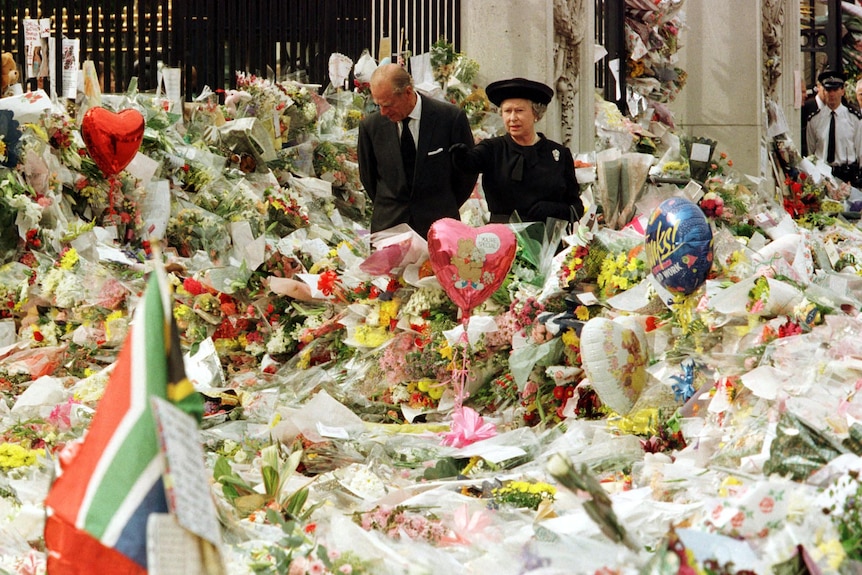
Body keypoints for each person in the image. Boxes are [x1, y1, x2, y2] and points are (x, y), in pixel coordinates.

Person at [357, 63, 477, 238]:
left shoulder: (449, 118)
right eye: (378, 105)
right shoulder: (371, 127)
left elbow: (467, 172)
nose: (383, 112)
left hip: (439, 228)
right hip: (389, 228)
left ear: (407, 92)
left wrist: (443, 204)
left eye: (388, 105)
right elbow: (368, 177)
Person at [449, 77, 583, 224]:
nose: (512, 118)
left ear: (536, 114)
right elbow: (469, 164)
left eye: (519, 111)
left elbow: (576, 208)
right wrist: (459, 156)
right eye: (507, 111)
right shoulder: (492, 148)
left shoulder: (559, 154)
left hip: (547, 240)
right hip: (502, 239)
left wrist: (554, 210)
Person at [805, 69, 862, 185]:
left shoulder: (854, 118)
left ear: (842, 91)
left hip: (847, 177)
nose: (831, 94)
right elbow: (811, 152)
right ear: (823, 91)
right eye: (828, 90)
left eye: (835, 90)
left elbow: (860, 151)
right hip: (822, 177)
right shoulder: (814, 120)